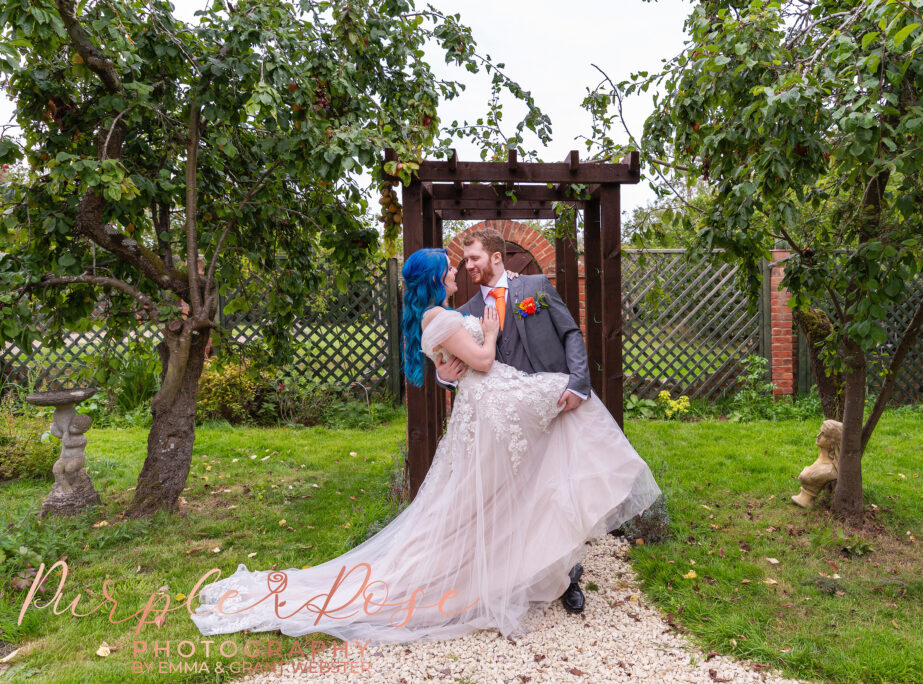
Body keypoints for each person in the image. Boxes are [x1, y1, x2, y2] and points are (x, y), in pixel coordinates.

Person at [190, 247, 661, 645]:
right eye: (452, 267)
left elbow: (452, 357)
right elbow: (476, 357)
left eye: (467, 261)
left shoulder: (463, 308)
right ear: (438, 278)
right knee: (552, 428)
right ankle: (549, 542)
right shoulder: (447, 313)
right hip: (491, 401)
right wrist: (488, 336)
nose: (459, 269)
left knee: (557, 422)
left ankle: (552, 560)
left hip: (493, 399)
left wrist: (449, 364)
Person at [435, 228, 591, 613]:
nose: (468, 265)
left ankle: (567, 576)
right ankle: (524, 575)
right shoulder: (465, 312)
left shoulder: (536, 286)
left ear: (496, 257)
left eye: (474, 258)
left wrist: (579, 384)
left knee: (556, 491)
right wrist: (445, 376)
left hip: (549, 404)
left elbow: (571, 332)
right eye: (465, 261)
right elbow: (449, 362)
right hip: (503, 421)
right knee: (518, 498)